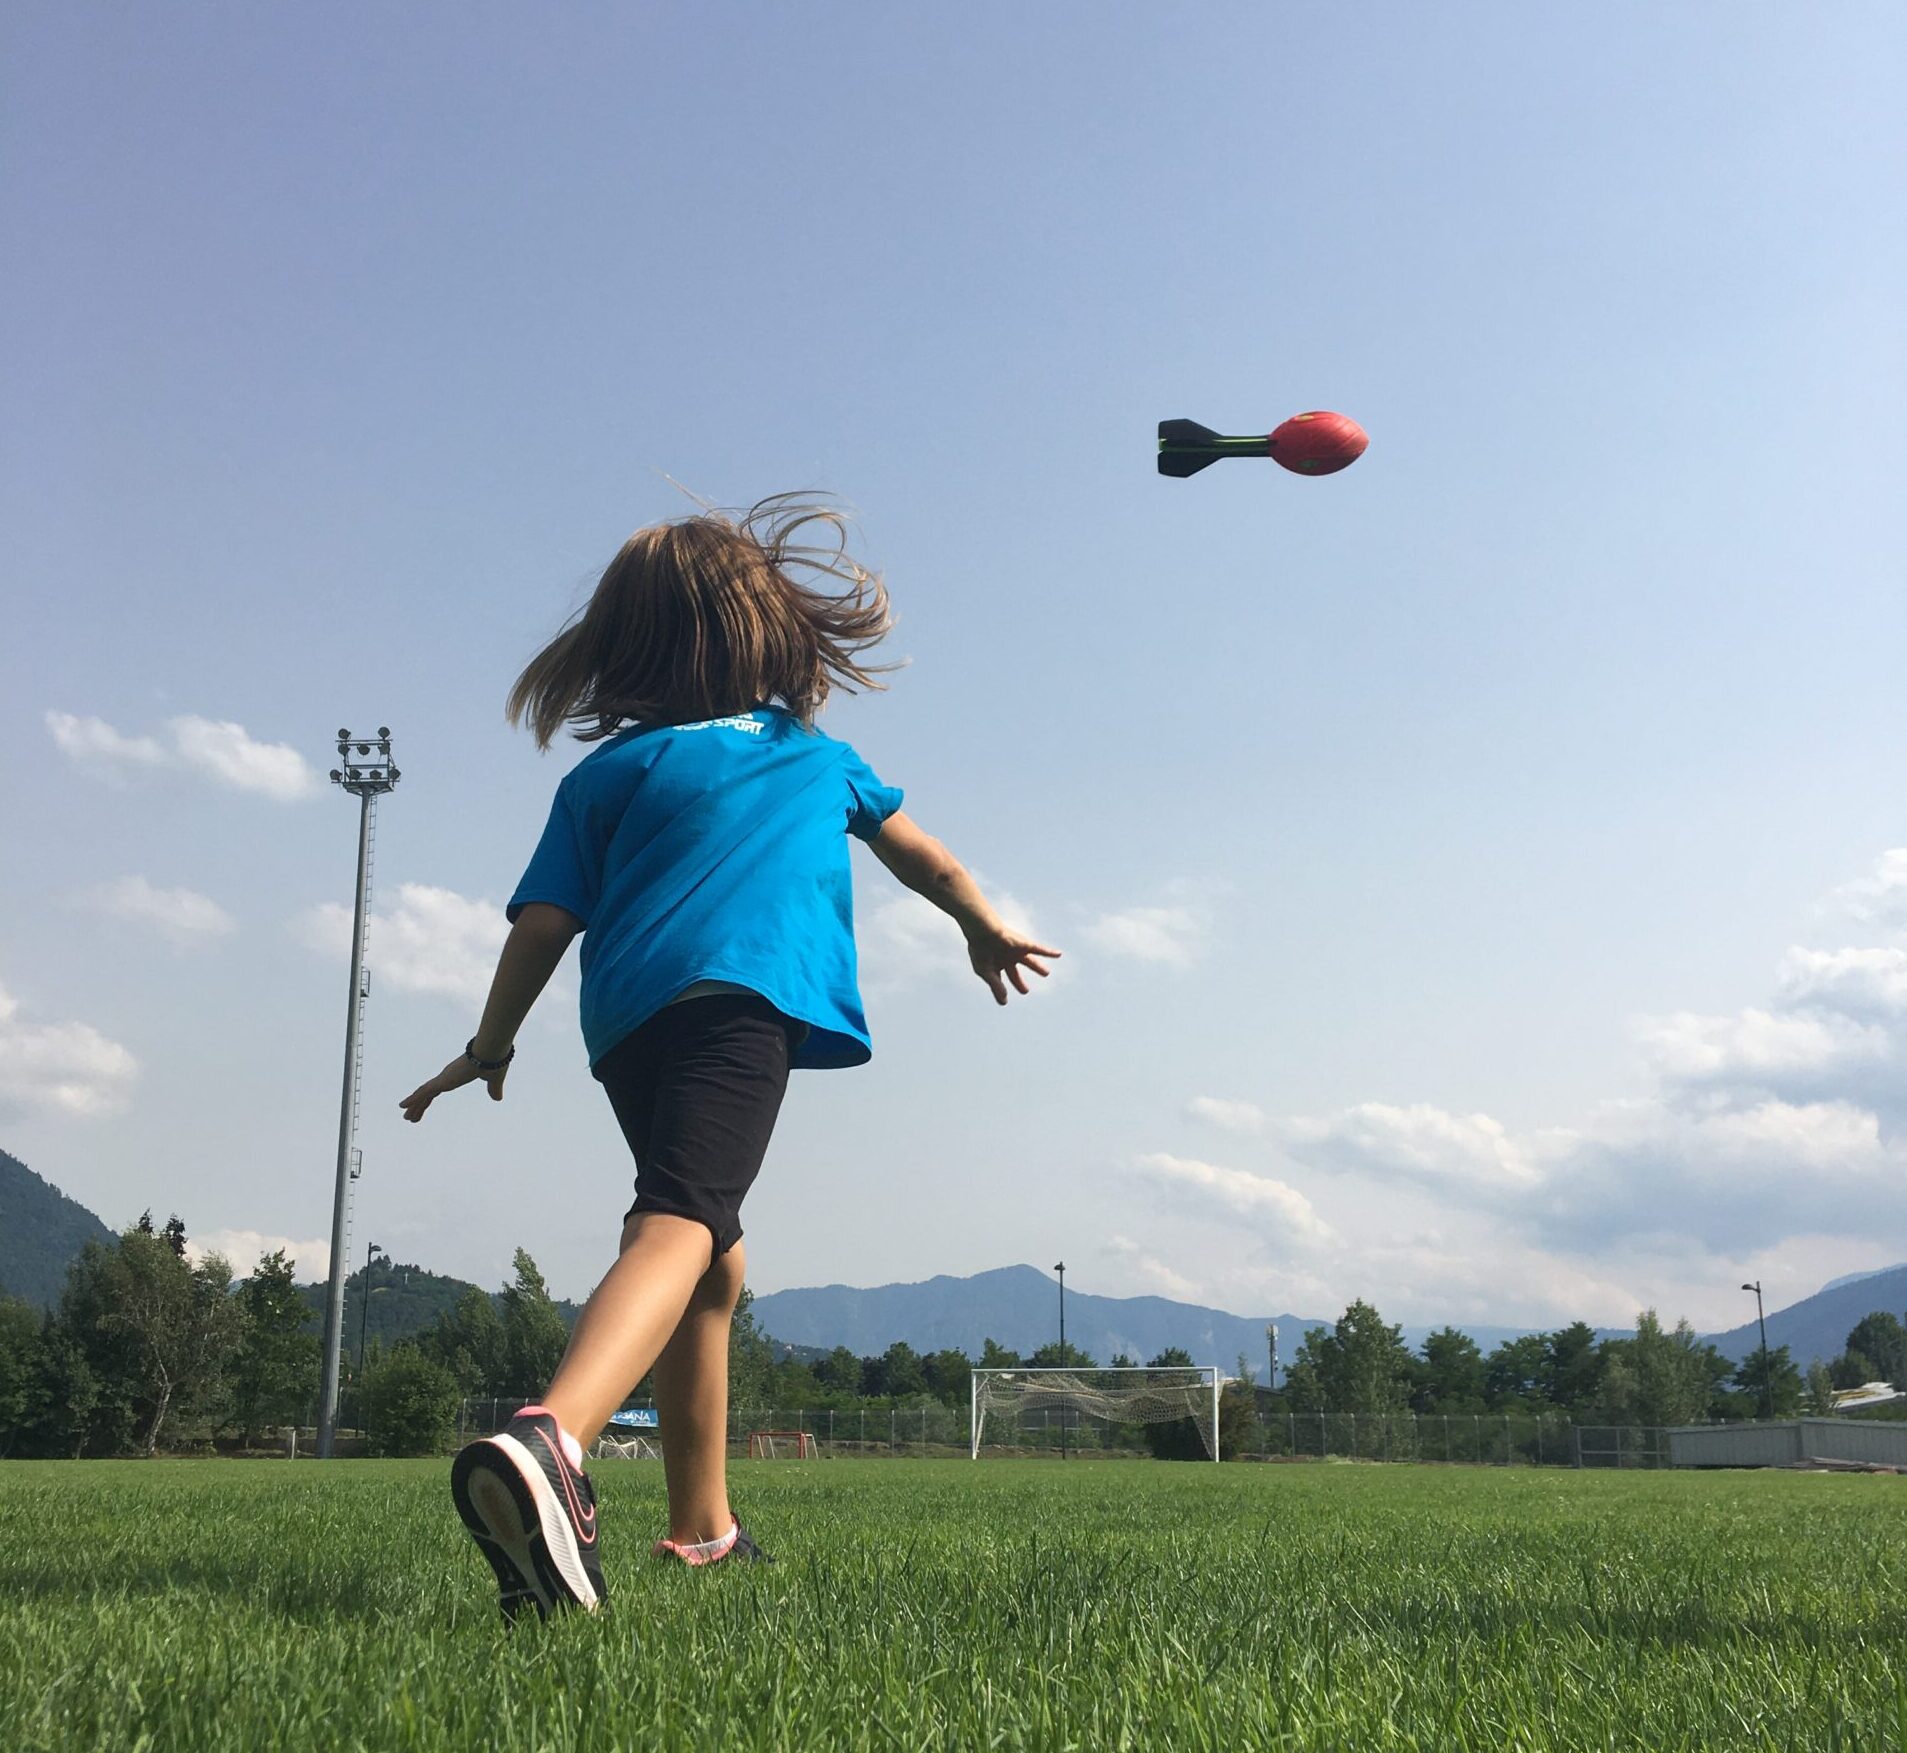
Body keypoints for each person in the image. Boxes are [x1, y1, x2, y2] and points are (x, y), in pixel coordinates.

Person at [399, 495, 1058, 1620]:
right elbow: (927, 857)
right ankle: (553, 1442)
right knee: (680, 1220)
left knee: (716, 1259)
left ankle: (703, 1529)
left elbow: (543, 923)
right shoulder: (813, 756)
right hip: (740, 998)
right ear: (768, 630)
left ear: (627, 644)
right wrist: (982, 924)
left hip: (627, 1024)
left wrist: (488, 1044)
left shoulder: (607, 773)